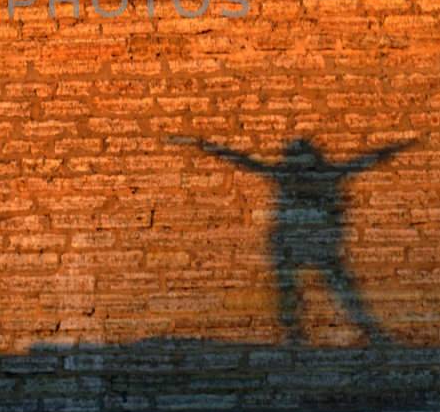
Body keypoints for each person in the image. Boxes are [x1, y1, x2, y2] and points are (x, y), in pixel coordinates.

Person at [173, 135, 410, 344]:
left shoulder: (312, 176)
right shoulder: (298, 176)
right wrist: (206, 146)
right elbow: (244, 161)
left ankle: (359, 331)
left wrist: (398, 146)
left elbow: (367, 160)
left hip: (311, 243)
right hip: (295, 242)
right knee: (298, 288)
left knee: (334, 288)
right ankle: (299, 332)